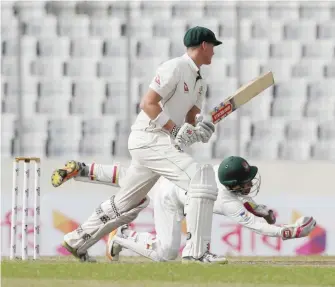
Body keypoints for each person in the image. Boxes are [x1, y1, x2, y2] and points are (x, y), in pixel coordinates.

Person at [54, 26, 226, 263]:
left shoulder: (199, 82)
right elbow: (148, 103)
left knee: (127, 203)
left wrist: (200, 131)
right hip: (149, 138)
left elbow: (191, 119)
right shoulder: (174, 67)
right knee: (199, 180)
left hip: (161, 143)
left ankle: (77, 240)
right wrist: (176, 131)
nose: (215, 52)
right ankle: (197, 253)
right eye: (213, 46)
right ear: (204, 45)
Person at [51, 156, 317, 262]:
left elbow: (250, 207)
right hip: (169, 198)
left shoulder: (216, 172)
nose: (250, 185)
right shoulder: (225, 199)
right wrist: (288, 232)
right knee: (166, 253)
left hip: (169, 178)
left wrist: (261, 208)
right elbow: (255, 225)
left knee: (131, 178)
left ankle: (86, 170)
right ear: (234, 184)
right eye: (245, 182)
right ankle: (122, 237)